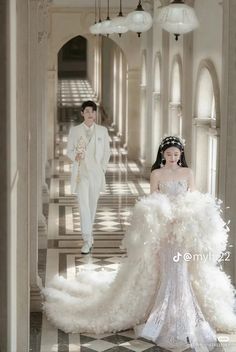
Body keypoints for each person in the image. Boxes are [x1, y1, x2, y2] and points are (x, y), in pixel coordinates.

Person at [43, 136, 236, 351]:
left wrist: (188, 218)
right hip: (164, 230)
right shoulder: (157, 174)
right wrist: (165, 216)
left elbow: (194, 200)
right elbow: (153, 200)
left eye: (176, 154)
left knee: (181, 270)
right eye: (169, 154)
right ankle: (162, 313)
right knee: (167, 269)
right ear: (162, 155)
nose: (173, 158)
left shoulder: (188, 173)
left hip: (183, 231)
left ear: (181, 154)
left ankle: (181, 312)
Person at [66, 100, 110, 254]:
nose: (90, 115)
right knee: (83, 205)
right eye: (87, 112)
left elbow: (106, 153)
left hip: (96, 174)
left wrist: (102, 169)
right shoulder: (75, 131)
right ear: (82, 113)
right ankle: (86, 239)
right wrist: (75, 157)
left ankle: (89, 236)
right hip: (81, 174)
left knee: (92, 206)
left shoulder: (102, 131)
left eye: (92, 112)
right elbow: (69, 151)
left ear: (95, 113)